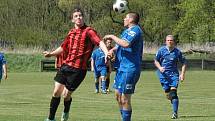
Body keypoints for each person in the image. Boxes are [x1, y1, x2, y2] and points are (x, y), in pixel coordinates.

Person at [43, 7, 109, 121]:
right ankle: (50, 118)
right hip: (65, 66)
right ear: (72, 20)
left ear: (83, 17)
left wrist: (107, 52)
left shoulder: (89, 31)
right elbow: (63, 48)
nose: (79, 17)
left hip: (78, 70)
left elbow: (100, 42)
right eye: (76, 16)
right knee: (56, 92)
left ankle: (66, 111)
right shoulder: (71, 33)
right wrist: (51, 54)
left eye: (80, 15)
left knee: (66, 95)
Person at [103, 12, 143, 121]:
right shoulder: (126, 31)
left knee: (125, 99)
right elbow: (119, 46)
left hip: (130, 68)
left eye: (125, 17)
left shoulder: (135, 30)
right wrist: (112, 50)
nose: (124, 19)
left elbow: (125, 44)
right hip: (121, 68)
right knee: (117, 96)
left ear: (130, 19)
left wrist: (111, 36)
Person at [154, 35, 187, 119]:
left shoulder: (177, 52)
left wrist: (182, 74)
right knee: (169, 95)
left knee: (173, 94)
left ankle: (175, 113)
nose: (169, 42)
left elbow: (184, 63)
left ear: (174, 42)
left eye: (171, 40)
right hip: (163, 76)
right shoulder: (161, 51)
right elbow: (156, 60)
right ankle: (172, 99)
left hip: (173, 76)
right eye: (168, 40)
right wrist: (160, 67)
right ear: (165, 41)